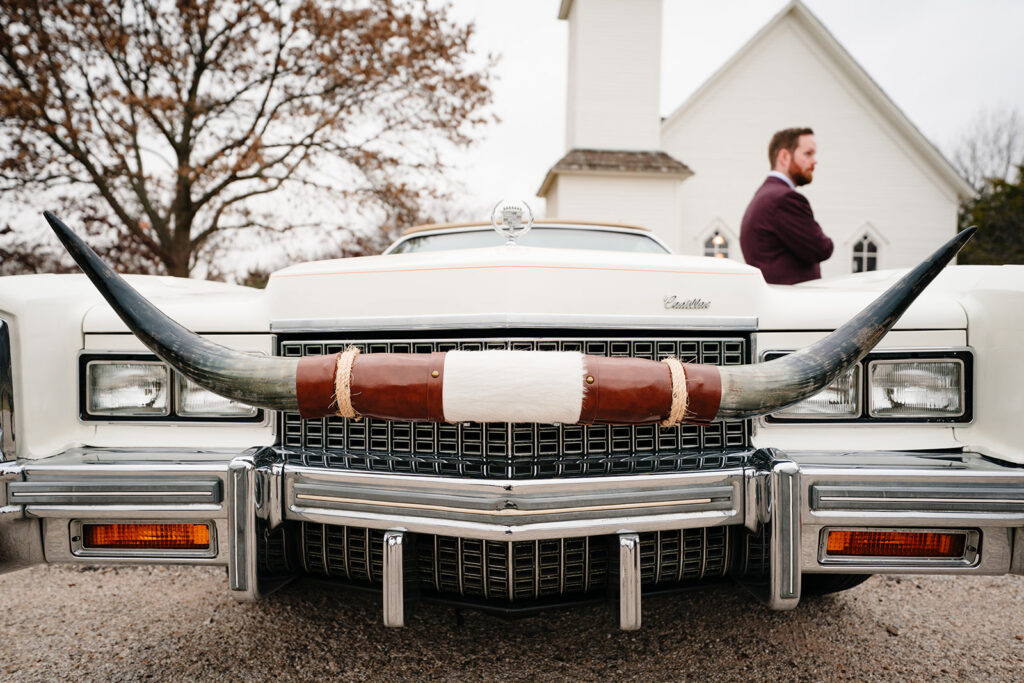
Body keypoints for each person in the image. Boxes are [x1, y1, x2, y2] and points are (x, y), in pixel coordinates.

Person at [740, 127, 834, 284]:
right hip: (794, 303)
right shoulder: (785, 200)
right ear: (784, 156)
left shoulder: (764, 195)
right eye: (808, 154)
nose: (814, 161)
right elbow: (822, 248)